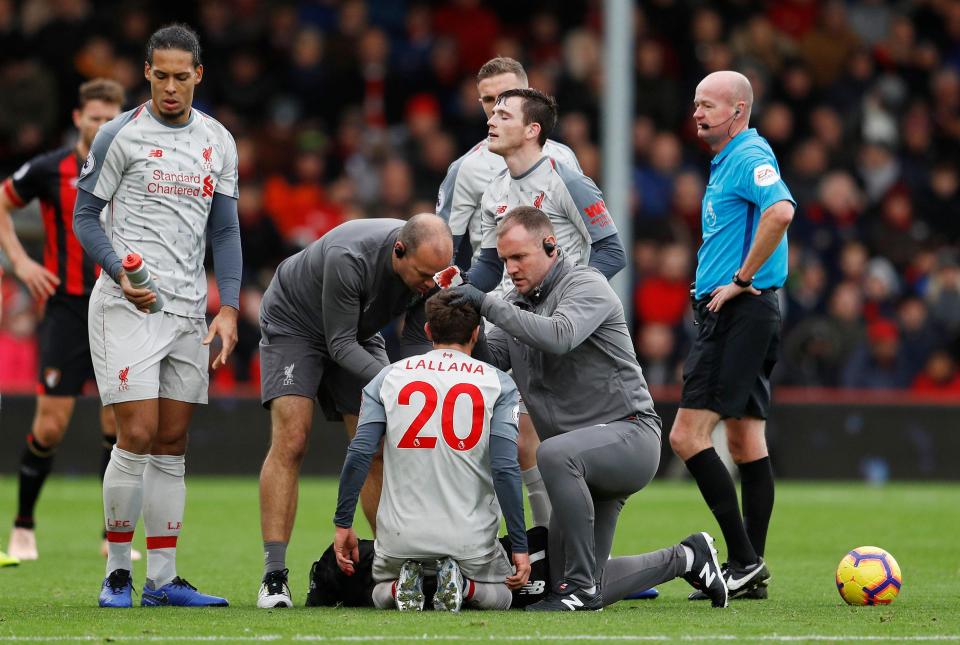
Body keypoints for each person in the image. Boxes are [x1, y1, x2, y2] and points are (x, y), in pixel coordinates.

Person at [447, 207, 728, 610]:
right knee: (563, 582)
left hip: (628, 436)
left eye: (519, 257)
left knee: (552, 456)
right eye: (505, 260)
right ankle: (688, 557)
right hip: (579, 460)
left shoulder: (586, 285)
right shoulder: (516, 303)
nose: (510, 269)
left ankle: (580, 588)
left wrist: (488, 305)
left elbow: (560, 336)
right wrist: (460, 320)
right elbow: (493, 360)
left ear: (550, 246)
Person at [73, 24, 241, 608]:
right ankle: (118, 570)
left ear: (198, 75)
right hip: (125, 305)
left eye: (181, 76)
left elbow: (224, 229)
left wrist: (230, 308)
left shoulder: (218, 141)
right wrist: (120, 270)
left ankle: (163, 580)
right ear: (146, 73)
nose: (171, 87)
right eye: (160, 75)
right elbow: (85, 218)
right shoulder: (118, 135)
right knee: (137, 434)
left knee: (172, 442)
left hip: (189, 312)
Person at [404, 58, 584, 533]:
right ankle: (546, 549)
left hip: (562, 315)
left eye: (505, 102)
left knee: (565, 438)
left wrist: (583, 299)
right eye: (487, 102)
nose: (494, 111)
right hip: (505, 318)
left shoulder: (563, 164)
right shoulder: (469, 172)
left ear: (530, 109)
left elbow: (597, 243)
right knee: (523, 438)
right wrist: (456, 293)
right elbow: (452, 244)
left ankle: (577, 554)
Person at [256, 214, 453, 609]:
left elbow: (416, 339)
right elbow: (339, 344)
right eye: (424, 274)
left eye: (439, 275)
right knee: (292, 440)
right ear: (399, 250)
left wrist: (418, 380)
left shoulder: (438, 273)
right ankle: (274, 577)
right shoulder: (351, 256)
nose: (432, 284)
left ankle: (399, 567)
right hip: (296, 323)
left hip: (356, 332)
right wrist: (398, 382)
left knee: (377, 444)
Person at [668, 70, 795, 601]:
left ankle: (741, 560)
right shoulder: (729, 159)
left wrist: (740, 281)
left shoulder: (748, 157)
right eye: (696, 103)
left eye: (708, 105)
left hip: (740, 313)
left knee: (685, 436)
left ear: (738, 111)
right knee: (745, 441)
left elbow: (781, 211)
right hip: (754, 312)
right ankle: (752, 571)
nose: (697, 112)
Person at [332, 289, 529, 612]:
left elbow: (361, 452)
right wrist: (519, 546)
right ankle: (464, 587)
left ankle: (400, 584)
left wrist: (343, 523)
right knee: (505, 596)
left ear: (427, 331)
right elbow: (506, 467)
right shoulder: (498, 384)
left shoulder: (387, 377)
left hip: (400, 539)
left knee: (379, 593)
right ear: (476, 333)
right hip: (469, 542)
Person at [0, 79, 132, 562]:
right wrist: (20, 261)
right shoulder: (50, 168)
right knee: (51, 426)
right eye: (94, 117)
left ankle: (111, 535)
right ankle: (23, 527)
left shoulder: (132, 166)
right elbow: (3, 201)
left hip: (118, 305)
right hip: (68, 308)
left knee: (116, 425)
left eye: (110, 118)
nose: (102, 126)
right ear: (78, 118)